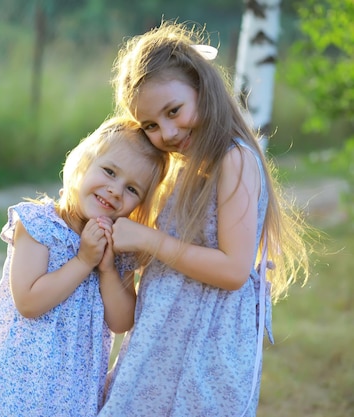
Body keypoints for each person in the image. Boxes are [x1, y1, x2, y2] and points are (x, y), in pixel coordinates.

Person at [99, 21, 313, 417]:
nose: (167, 131)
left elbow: (233, 269)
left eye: (174, 111)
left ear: (202, 86)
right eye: (150, 125)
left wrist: (150, 241)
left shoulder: (235, 160)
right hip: (160, 340)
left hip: (206, 350)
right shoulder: (181, 169)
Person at [0, 116, 170, 417]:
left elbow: (121, 321)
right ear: (83, 163)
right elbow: (28, 302)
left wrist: (106, 269)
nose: (115, 190)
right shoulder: (40, 225)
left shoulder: (118, 245)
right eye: (109, 171)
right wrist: (83, 261)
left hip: (76, 394)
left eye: (132, 190)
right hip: (22, 388)